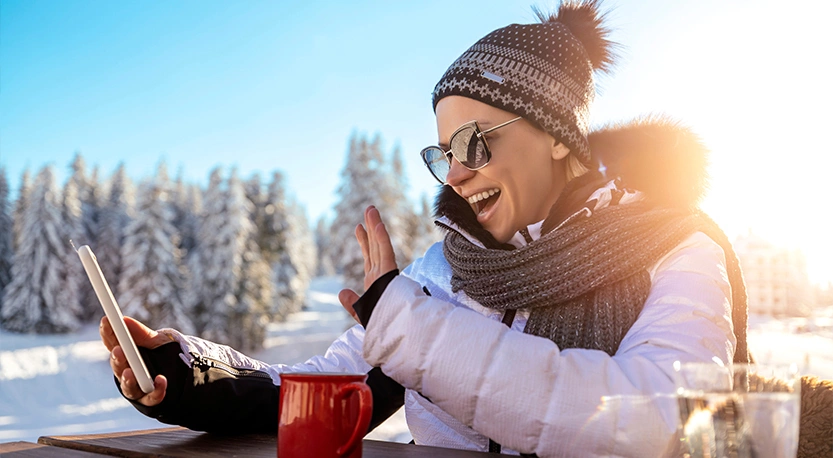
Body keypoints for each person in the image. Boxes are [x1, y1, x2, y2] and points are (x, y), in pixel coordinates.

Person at [102, 1, 819, 456]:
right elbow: (320, 392)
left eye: (477, 142)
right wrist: (188, 372)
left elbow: (662, 425)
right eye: (444, 153)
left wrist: (411, 332)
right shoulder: (442, 273)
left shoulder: (675, 248)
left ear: (559, 139)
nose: (456, 174)